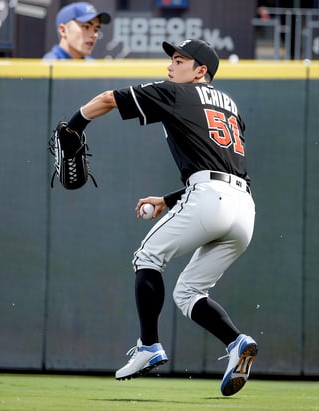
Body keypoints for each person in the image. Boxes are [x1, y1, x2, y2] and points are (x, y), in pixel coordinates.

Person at [61, 38, 258, 396]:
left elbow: (108, 99)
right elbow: (224, 169)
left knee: (148, 257)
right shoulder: (231, 107)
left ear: (201, 71)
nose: (171, 65)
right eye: (171, 59)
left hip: (208, 197)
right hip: (244, 209)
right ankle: (236, 342)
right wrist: (170, 200)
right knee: (190, 292)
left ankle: (149, 346)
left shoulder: (176, 92)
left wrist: (73, 127)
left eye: (180, 60)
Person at [43, 2, 111, 59]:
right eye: (86, 27)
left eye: (96, 30)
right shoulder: (50, 66)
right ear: (63, 30)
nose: (94, 35)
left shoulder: (92, 65)